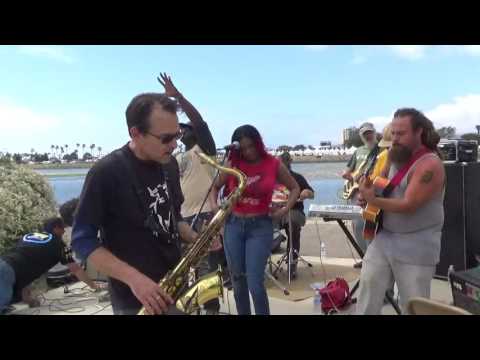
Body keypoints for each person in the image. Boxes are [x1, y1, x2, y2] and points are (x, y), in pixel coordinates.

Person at [71, 92, 199, 315]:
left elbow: (173, 217)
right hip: (134, 299)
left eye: (177, 135)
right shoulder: (106, 172)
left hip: (174, 285)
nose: (174, 145)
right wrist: (135, 279)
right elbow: (82, 241)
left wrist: (196, 238)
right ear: (136, 133)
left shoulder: (169, 165)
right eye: (166, 138)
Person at [356, 108, 445, 315]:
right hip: (385, 237)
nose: (395, 139)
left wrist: (373, 199)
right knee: (367, 293)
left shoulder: (430, 164)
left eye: (401, 134)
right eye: (393, 133)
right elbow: (381, 185)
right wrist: (366, 194)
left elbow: (409, 204)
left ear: (419, 132)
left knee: (414, 305)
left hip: (417, 243)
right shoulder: (393, 156)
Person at [210, 125, 300, 315]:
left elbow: (295, 188)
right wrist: (214, 207)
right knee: (237, 280)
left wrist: (284, 210)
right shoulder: (232, 163)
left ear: (258, 143)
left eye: (251, 146)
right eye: (242, 148)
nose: (248, 152)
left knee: (255, 283)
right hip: (233, 224)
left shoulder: (273, 163)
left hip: (260, 226)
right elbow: (214, 187)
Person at [158, 73, 226, 315]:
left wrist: (178, 97)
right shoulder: (172, 156)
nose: (180, 133)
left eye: (184, 130)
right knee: (180, 269)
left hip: (204, 214)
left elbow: (199, 121)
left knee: (206, 266)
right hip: (179, 218)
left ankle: (211, 310)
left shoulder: (204, 148)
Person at [0, 216, 99, 313]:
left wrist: (29, 300)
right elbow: (76, 269)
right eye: (62, 229)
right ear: (56, 228)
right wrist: (94, 286)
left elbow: (24, 269)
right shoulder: (60, 245)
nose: (64, 232)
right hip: (7, 272)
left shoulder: (29, 236)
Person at [342, 122, 379, 267]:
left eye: (370, 132)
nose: (368, 135)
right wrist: (347, 175)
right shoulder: (357, 151)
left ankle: (373, 258)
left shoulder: (381, 150)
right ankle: (364, 257)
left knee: (370, 225)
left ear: (374, 132)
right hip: (355, 191)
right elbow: (347, 170)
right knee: (357, 226)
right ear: (361, 136)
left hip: (371, 191)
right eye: (365, 134)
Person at [277, 152, 314, 279]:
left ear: (288, 163)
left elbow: (312, 193)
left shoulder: (297, 178)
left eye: (283, 163)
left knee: (292, 222)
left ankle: (292, 266)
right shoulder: (272, 178)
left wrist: (306, 192)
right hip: (276, 212)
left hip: (294, 211)